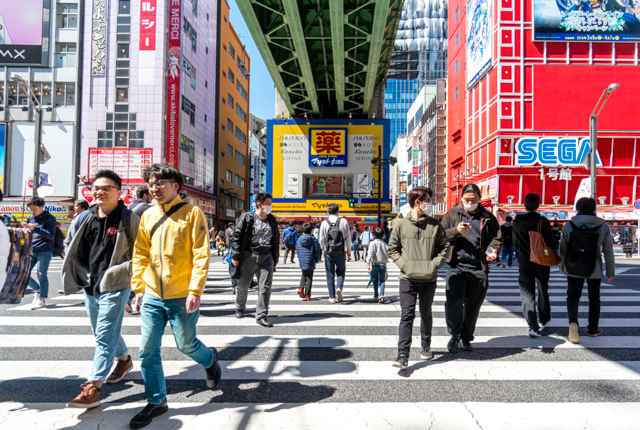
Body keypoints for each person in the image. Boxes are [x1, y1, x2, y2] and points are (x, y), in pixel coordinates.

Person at [130, 164, 221, 429]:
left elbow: (201, 254)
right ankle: (156, 400)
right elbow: (140, 253)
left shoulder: (193, 213)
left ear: (176, 186)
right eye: (151, 184)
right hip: (152, 294)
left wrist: (195, 290)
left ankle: (211, 360)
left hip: (182, 294)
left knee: (186, 345)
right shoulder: (147, 215)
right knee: (147, 350)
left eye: (160, 183)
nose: (154, 188)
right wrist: (138, 287)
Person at [63, 170, 140, 409]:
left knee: (104, 336)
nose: (100, 191)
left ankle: (94, 387)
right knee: (101, 331)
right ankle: (125, 359)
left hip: (116, 285)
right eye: (96, 188)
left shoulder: (128, 218)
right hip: (90, 284)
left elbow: (142, 253)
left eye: (106, 188)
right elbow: (70, 243)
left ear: (120, 192)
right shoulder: (83, 217)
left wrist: (130, 279)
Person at [389, 187, 450, 369]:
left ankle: (425, 345)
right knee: (407, 315)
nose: (430, 203)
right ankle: (402, 354)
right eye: (428, 200)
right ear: (418, 202)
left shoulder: (435, 224)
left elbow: (445, 247)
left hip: (428, 278)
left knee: (426, 313)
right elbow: (392, 249)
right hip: (407, 278)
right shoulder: (400, 225)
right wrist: (405, 265)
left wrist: (433, 265)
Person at [441, 184, 502, 353]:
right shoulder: (451, 215)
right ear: (461, 198)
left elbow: (497, 238)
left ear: (479, 198)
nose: (469, 203)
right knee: (453, 303)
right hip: (455, 266)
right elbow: (440, 235)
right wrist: (456, 231)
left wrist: (493, 250)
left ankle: (466, 337)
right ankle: (454, 335)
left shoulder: (488, 217)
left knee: (473, 305)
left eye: (473, 200)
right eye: (466, 200)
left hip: (478, 267)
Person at [559, 197, 615, 344]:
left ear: (578, 209)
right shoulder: (603, 225)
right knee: (594, 298)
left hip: (573, 266)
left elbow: (563, 247)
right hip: (594, 268)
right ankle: (593, 329)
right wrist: (610, 271)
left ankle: (573, 323)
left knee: (573, 297)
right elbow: (608, 250)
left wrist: (562, 265)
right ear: (593, 209)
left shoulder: (569, 225)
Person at [230, 193, 279, 326]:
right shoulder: (247, 218)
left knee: (265, 288)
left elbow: (275, 240)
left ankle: (261, 315)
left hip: (267, 257)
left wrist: (275, 259)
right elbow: (237, 237)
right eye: (268, 203)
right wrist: (235, 256)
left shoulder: (271, 219)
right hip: (248, 256)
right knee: (242, 286)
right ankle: (240, 308)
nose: (270, 206)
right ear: (259, 205)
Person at [512, 193, 558, 337]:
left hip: (524, 260)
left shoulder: (516, 221)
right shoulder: (542, 221)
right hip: (541, 260)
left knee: (526, 292)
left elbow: (515, 243)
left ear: (524, 204)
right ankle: (544, 317)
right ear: (537, 205)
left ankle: (532, 326)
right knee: (543, 289)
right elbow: (551, 242)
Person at [24, 197, 58, 310]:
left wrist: (35, 228)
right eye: (30, 209)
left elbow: (50, 235)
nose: (32, 211)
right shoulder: (30, 218)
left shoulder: (49, 218)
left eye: (34, 208)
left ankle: (42, 299)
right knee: (23, 273)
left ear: (42, 206)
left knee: (41, 274)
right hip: (30, 250)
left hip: (44, 250)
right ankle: (37, 290)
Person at [319, 203, 352, 303]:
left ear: (328, 212)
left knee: (330, 274)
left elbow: (321, 239)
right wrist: (349, 251)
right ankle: (339, 287)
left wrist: (322, 250)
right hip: (341, 251)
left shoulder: (324, 223)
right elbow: (348, 238)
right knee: (341, 271)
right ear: (338, 211)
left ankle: (332, 297)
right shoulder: (344, 221)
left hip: (328, 251)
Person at [366, 227, 391, 303]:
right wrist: (386, 261)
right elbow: (387, 254)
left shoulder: (372, 243)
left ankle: (376, 294)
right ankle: (382, 294)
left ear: (374, 235)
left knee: (375, 280)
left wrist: (368, 263)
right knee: (382, 280)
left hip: (374, 264)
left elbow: (370, 254)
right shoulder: (385, 244)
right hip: (383, 264)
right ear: (383, 235)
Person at [297, 222, 321, 301]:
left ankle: (300, 288)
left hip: (302, 259)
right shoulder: (314, 239)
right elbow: (317, 250)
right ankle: (308, 295)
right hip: (310, 259)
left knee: (304, 274)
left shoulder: (300, 239)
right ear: (311, 230)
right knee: (309, 277)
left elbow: (298, 250)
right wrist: (317, 259)